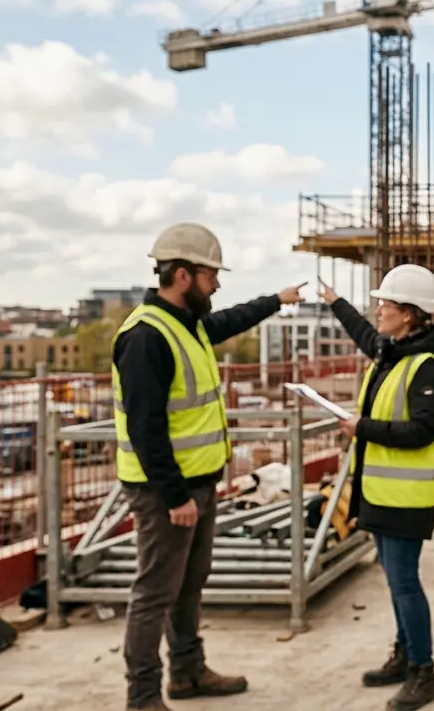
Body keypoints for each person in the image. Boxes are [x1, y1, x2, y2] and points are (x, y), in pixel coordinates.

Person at [112, 222, 305, 711]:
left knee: (189, 585)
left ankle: (187, 671)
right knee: (154, 593)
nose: (217, 284)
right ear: (182, 274)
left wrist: (277, 299)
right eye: (210, 275)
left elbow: (233, 319)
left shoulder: (187, 324)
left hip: (198, 483)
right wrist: (175, 497)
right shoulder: (145, 337)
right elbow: (146, 428)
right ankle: (142, 697)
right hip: (164, 493)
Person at [319, 263, 434, 711]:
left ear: (410, 313)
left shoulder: (428, 366)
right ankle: (406, 656)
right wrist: (335, 303)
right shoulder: (395, 352)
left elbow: (420, 430)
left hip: (407, 498)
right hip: (381, 493)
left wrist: (362, 427)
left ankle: (423, 671)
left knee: (404, 583)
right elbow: (365, 335)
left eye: (387, 304)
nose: (378, 310)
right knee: (396, 581)